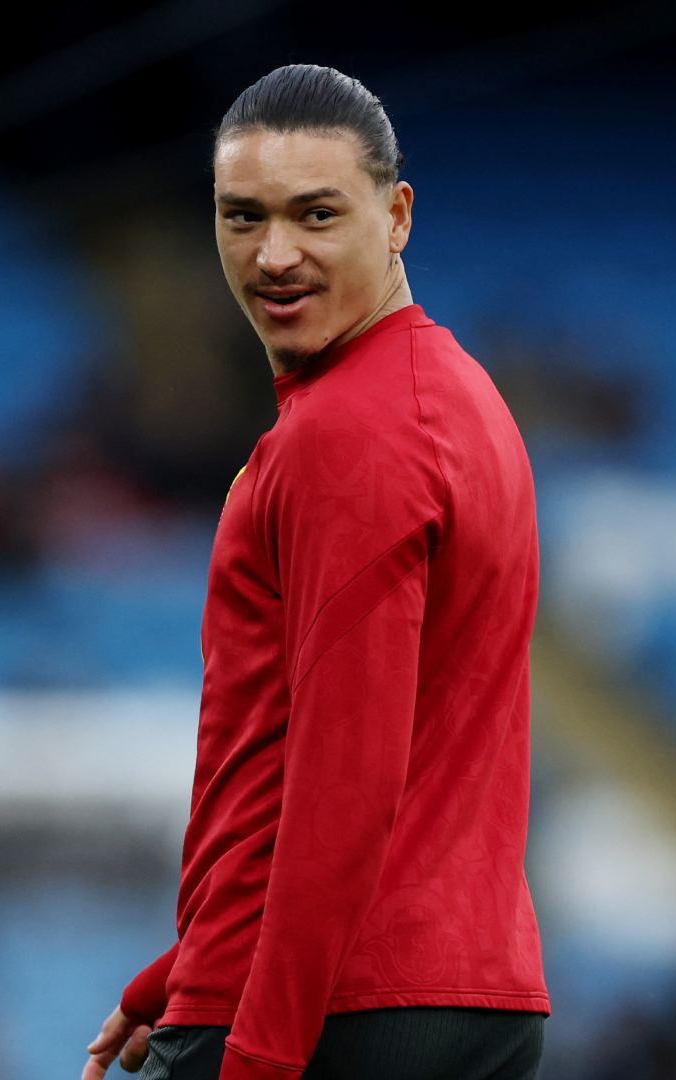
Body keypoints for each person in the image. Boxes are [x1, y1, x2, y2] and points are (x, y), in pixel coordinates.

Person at [82, 65, 547, 1080]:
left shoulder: (350, 435)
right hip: (468, 998)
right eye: (241, 216)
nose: (273, 254)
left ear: (398, 216)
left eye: (316, 214)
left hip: (333, 1010)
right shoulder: (461, 400)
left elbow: (350, 785)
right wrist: (174, 973)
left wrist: (252, 1054)